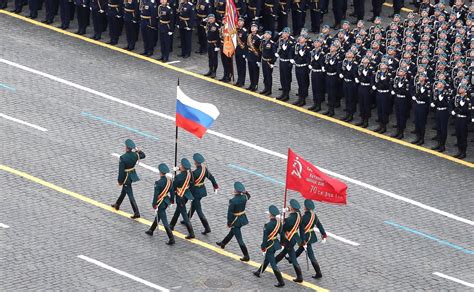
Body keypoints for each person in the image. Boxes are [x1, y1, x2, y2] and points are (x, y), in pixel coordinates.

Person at [216, 182, 251, 262]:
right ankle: (223, 243)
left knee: (239, 239)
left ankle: (246, 255)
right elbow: (249, 196)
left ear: (236, 191)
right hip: (242, 218)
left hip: (236, 220)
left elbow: (230, 213)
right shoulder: (244, 197)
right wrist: (246, 192)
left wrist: (229, 222)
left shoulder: (233, 201)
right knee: (232, 232)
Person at [111, 139, 145, 219]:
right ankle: (117, 204)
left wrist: (120, 181)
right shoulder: (135, 155)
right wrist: (138, 150)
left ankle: (136, 212)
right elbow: (143, 155)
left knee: (130, 194)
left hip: (126, 177)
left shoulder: (123, 157)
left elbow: (121, 172)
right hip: (131, 175)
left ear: (126, 147)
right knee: (124, 191)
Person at [185, 153, 218, 235]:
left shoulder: (194, 173)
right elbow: (211, 178)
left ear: (195, 162)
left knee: (199, 210)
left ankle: (207, 227)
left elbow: (190, 183)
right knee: (194, 205)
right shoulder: (204, 169)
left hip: (195, 192)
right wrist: (215, 186)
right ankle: (186, 218)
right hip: (202, 190)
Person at [293, 199, 327, 279]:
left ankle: (318, 273)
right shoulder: (314, 216)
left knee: (311, 255)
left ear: (305, 208)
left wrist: (303, 240)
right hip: (311, 235)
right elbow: (319, 225)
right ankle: (291, 258)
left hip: (306, 237)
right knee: (301, 248)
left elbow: (301, 230)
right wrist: (323, 234)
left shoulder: (304, 217)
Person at [253, 205, 285, 288]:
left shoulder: (268, 225)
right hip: (275, 243)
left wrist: (263, 248)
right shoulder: (279, 223)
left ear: (270, 214)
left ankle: (281, 281)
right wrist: (282, 244)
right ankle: (259, 272)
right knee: (267, 259)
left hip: (270, 245)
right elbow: (282, 234)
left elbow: (265, 238)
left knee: (273, 264)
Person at [145, 163, 175, 245]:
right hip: (166, 201)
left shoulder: (158, 183)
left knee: (164, 221)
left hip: (160, 203)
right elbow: (172, 192)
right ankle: (151, 230)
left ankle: (171, 238)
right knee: (159, 216)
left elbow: (156, 195)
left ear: (160, 172)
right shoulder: (169, 181)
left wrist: (154, 204)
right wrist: (172, 201)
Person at [275, 199, 304, 283]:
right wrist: (286, 209)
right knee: (284, 253)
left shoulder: (290, 219)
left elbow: (282, 230)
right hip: (294, 238)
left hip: (289, 239)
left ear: (292, 208)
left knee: (293, 258)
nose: (289, 207)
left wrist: (282, 222)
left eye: (290, 206)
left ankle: (299, 276)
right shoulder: (299, 215)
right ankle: (274, 261)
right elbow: (301, 228)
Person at [169, 158, 196, 239]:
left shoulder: (179, 177)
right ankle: (171, 225)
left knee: (184, 214)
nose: (179, 166)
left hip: (180, 196)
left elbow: (173, 188)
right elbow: (192, 181)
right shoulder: (189, 173)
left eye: (180, 165)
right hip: (186, 195)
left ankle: (191, 233)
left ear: (183, 167)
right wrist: (177, 169)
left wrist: (172, 199)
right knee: (178, 210)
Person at [390, 68, 411, 139]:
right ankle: (397, 131)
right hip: (397, 98)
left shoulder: (406, 81)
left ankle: (401, 132)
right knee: (397, 115)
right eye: (399, 71)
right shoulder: (396, 79)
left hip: (403, 99)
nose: (399, 72)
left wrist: (398, 90)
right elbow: (393, 86)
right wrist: (395, 90)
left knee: (402, 116)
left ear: (405, 73)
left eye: (401, 71)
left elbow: (407, 92)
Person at [372, 61, 392, 134]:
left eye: (383, 64)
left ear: (386, 66)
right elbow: (373, 79)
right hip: (379, 92)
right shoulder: (378, 73)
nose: (381, 65)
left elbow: (388, 85)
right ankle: (380, 125)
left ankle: (384, 126)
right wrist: (373, 85)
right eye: (381, 64)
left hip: (385, 93)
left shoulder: (389, 75)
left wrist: (383, 80)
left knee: (384, 110)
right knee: (379, 109)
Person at [411, 73, 431, 145]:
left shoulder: (427, 86)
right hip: (417, 104)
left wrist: (420, 95)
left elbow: (427, 97)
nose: (420, 77)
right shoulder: (417, 84)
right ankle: (417, 137)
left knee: (422, 123)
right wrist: (413, 96)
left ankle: (421, 139)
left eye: (422, 76)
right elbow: (412, 90)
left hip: (423, 105)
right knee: (417, 122)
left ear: (425, 78)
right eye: (420, 76)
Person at [430, 81, 450, 153]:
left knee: (443, 129)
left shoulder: (446, 93)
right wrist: (432, 103)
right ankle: (438, 144)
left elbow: (448, 104)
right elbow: (433, 99)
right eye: (437, 83)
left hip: (444, 112)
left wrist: (442, 101)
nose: (437, 84)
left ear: (443, 85)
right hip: (438, 111)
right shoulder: (436, 91)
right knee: (438, 128)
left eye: (439, 83)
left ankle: (442, 145)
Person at [275, 27, 295, 102]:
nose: (283, 34)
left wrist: (283, 50)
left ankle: (286, 94)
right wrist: (278, 53)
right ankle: (283, 92)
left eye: (285, 33)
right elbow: (278, 46)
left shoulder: (291, 41)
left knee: (287, 78)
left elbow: (290, 52)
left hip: (287, 61)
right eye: (283, 33)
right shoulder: (281, 40)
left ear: (288, 34)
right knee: (282, 77)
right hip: (282, 61)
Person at [451, 85, 471, 159]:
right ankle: (459, 151)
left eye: (462, 88)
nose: (460, 89)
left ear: (465, 91)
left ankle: (463, 152)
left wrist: (460, 110)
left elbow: (468, 111)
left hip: (463, 119)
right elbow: (455, 106)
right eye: (460, 88)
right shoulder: (458, 98)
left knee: (463, 136)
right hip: (458, 118)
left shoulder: (467, 100)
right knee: (458, 135)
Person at [291, 35, 311, 106]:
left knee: (303, 83)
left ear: (305, 40)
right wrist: (293, 59)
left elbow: (309, 59)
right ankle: (300, 98)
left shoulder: (307, 48)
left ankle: (303, 99)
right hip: (297, 67)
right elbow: (294, 54)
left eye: (302, 38)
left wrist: (303, 56)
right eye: (300, 38)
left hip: (303, 67)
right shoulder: (297, 46)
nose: (300, 39)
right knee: (299, 83)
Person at [339, 50, 358, 122]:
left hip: (351, 83)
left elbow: (355, 73)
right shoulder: (345, 62)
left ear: (353, 56)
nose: (348, 54)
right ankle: (347, 113)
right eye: (347, 53)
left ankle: (351, 114)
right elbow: (341, 69)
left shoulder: (355, 64)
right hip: (345, 82)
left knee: (351, 99)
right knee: (346, 98)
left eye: (350, 53)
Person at [308, 37, 325, 111]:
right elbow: (311, 60)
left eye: (317, 42)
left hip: (319, 72)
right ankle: (315, 103)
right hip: (313, 71)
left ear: (320, 44)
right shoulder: (313, 51)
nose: (315, 43)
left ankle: (318, 105)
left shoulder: (322, 53)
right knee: (314, 88)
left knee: (318, 89)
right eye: (315, 42)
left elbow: (321, 62)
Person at [260, 31, 277, 96]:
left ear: (270, 36)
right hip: (264, 60)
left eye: (267, 34)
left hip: (269, 62)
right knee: (265, 75)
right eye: (265, 34)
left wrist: (272, 63)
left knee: (268, 76)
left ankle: (269, 90)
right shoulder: (263, 41)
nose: (265, 35)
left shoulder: (272, 43)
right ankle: (265, 88)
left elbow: (275, 54)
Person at [246, 23, 262, 92]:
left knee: (255, 71)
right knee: (251, 71)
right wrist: (246, 56)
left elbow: (260, 50)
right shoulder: (249, 36)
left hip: (255, 56)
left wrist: (259, 60)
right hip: (250, 55)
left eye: (254, 27)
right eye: (252, 27)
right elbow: (247, 47)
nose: (253, 28)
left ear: (257, 29)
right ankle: (251, 84)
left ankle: (255, 85)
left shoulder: (258, 38)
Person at [234, 17, 248, 87]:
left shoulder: (245, 31)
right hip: (237, 50)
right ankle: (239, 80)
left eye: (241, 21)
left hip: (242, 51)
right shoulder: (236, 30)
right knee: (238, 66)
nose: (239, 22)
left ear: (243, 23)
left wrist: (245, 53)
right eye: (239, 21)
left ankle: (242, 81)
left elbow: (246, 43)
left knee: (242, 67)